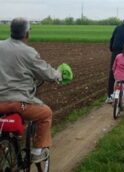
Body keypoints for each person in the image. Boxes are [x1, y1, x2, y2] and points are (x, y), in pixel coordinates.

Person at [0, 18, 73, 163]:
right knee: (45, 113)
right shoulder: (28, 52)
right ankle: (37, 151)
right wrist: (57, 75)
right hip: (17, 102)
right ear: (27, 33)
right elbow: (46, 72)